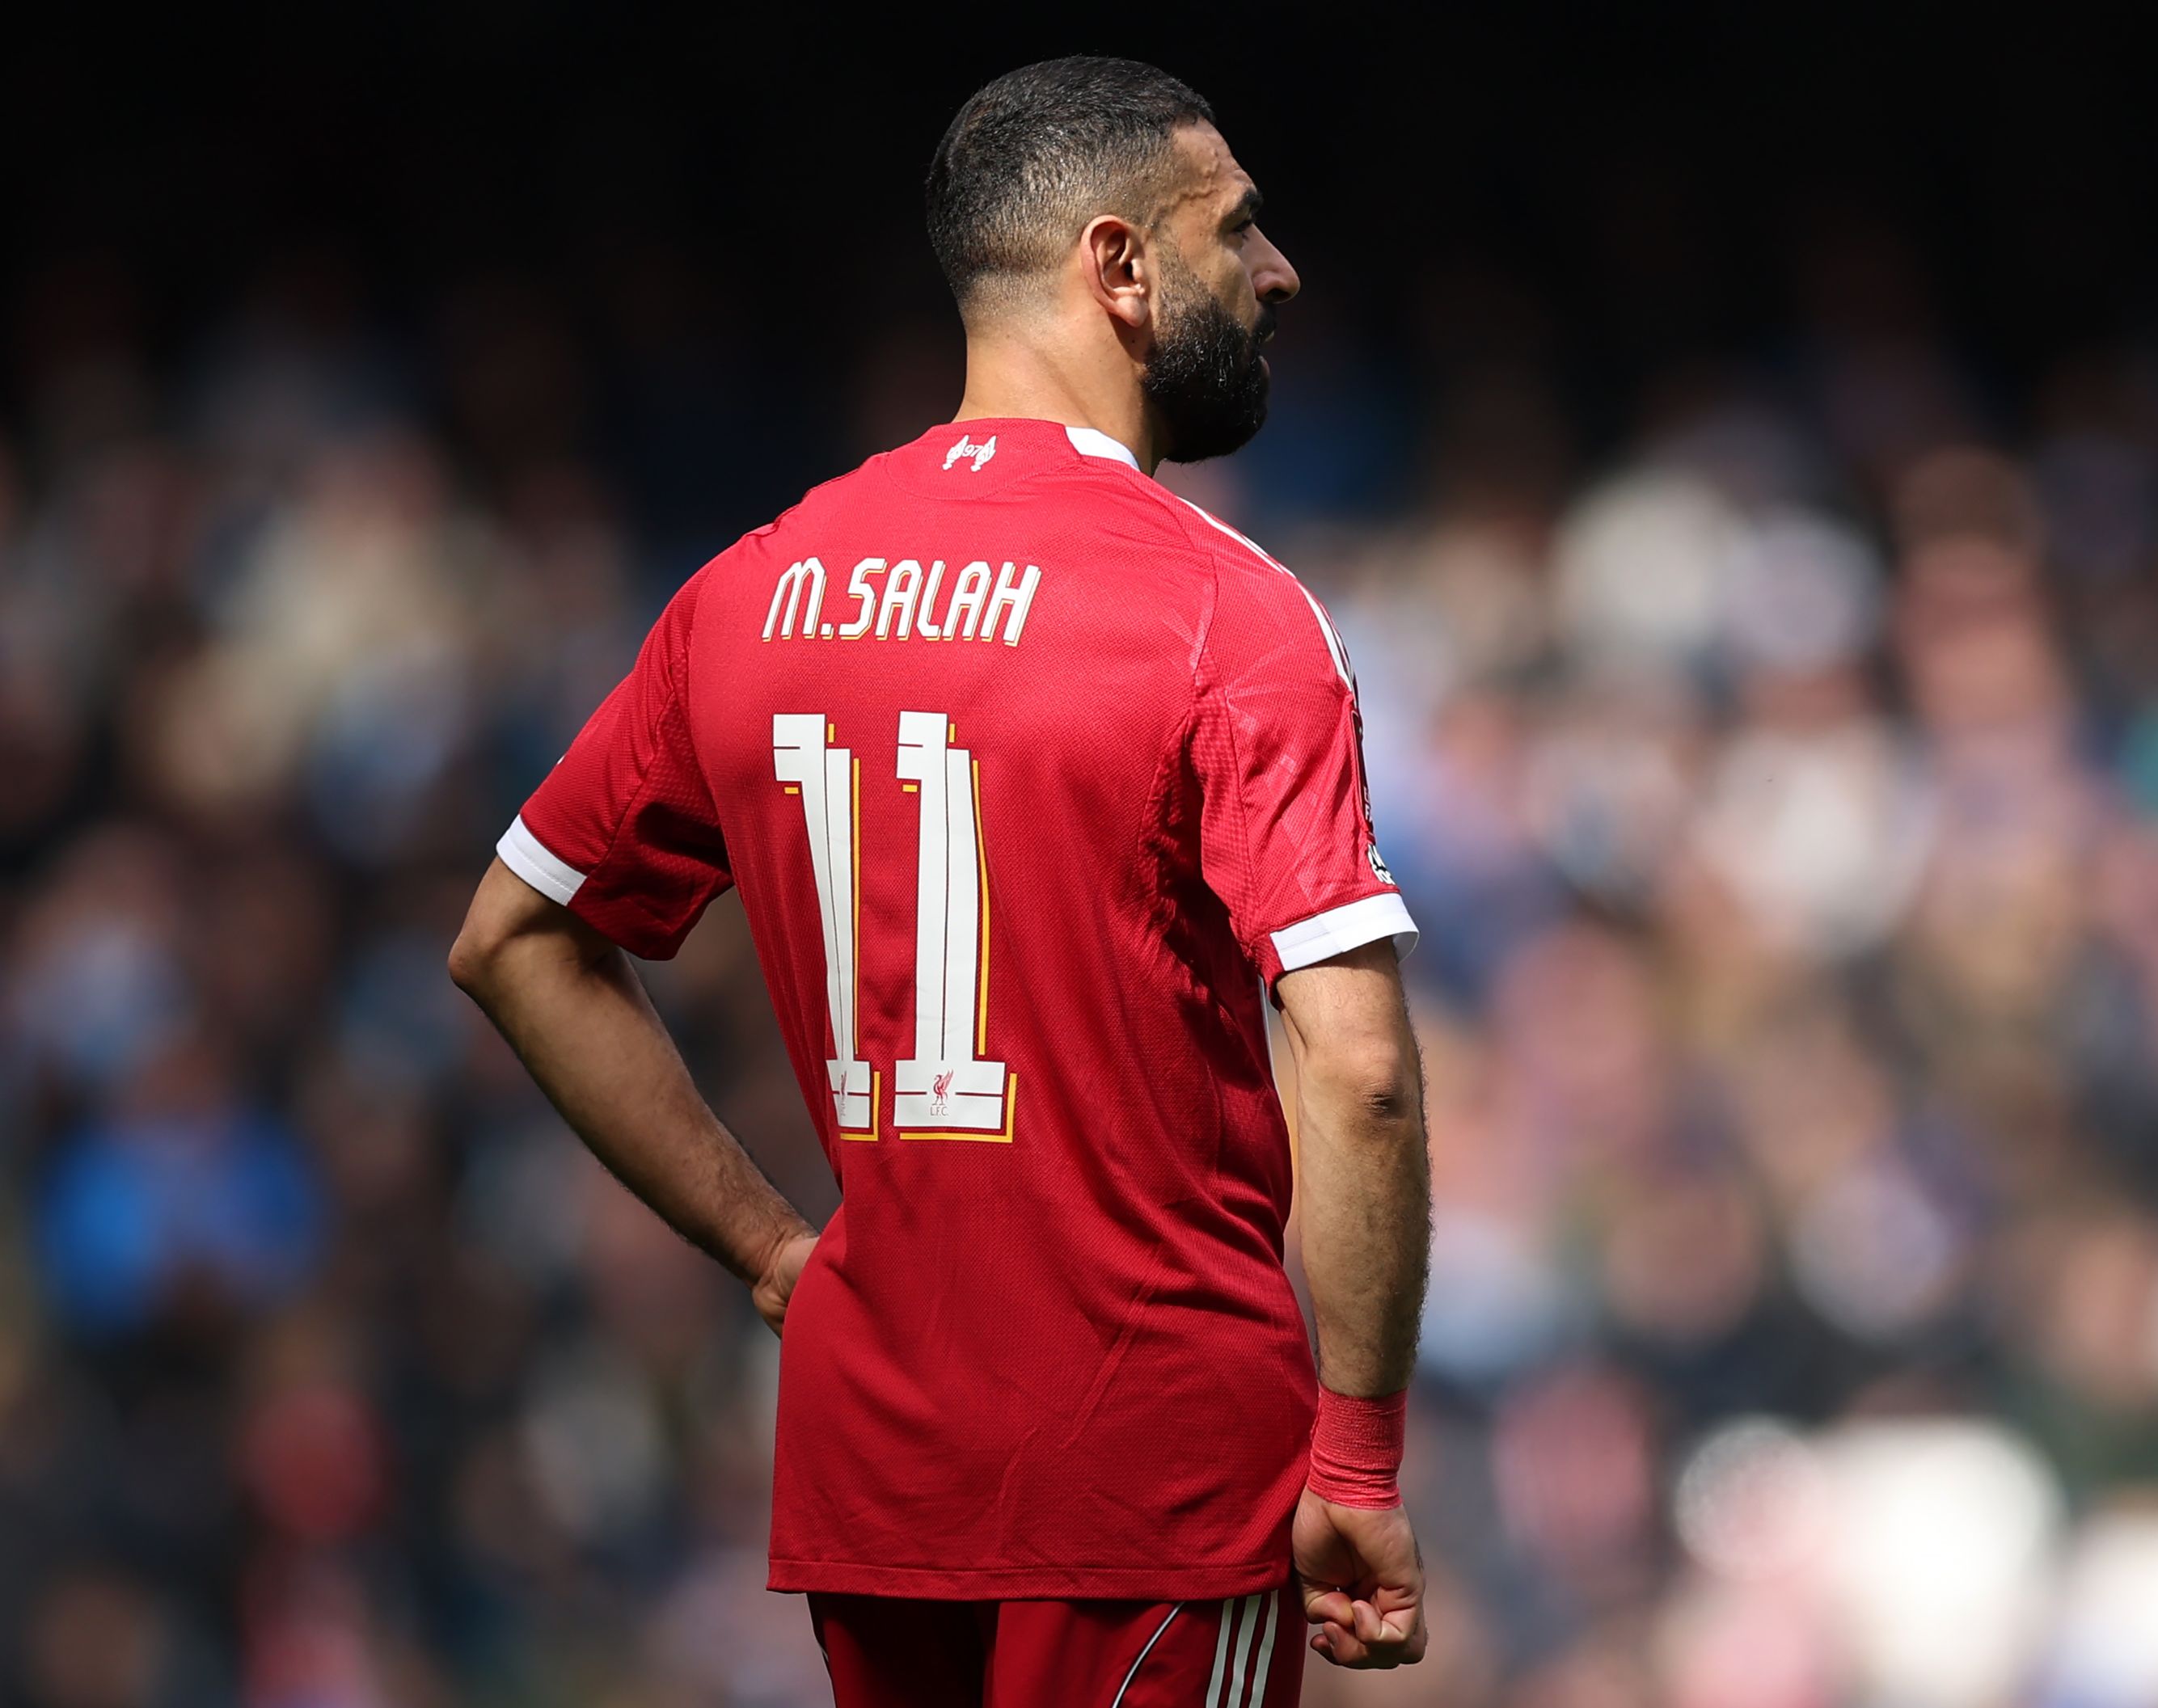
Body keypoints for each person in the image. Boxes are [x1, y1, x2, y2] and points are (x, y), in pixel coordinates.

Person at [446, 56, 1430, 1708]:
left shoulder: (751, 590)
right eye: (1238, 228)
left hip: (874, 1463)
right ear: (1117, 268)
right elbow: (1361, 1068)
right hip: (1155, 1470)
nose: (1280, 272)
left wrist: (775, 1256)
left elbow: (511, 937)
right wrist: (1363, 1455)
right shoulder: (1223, 615)